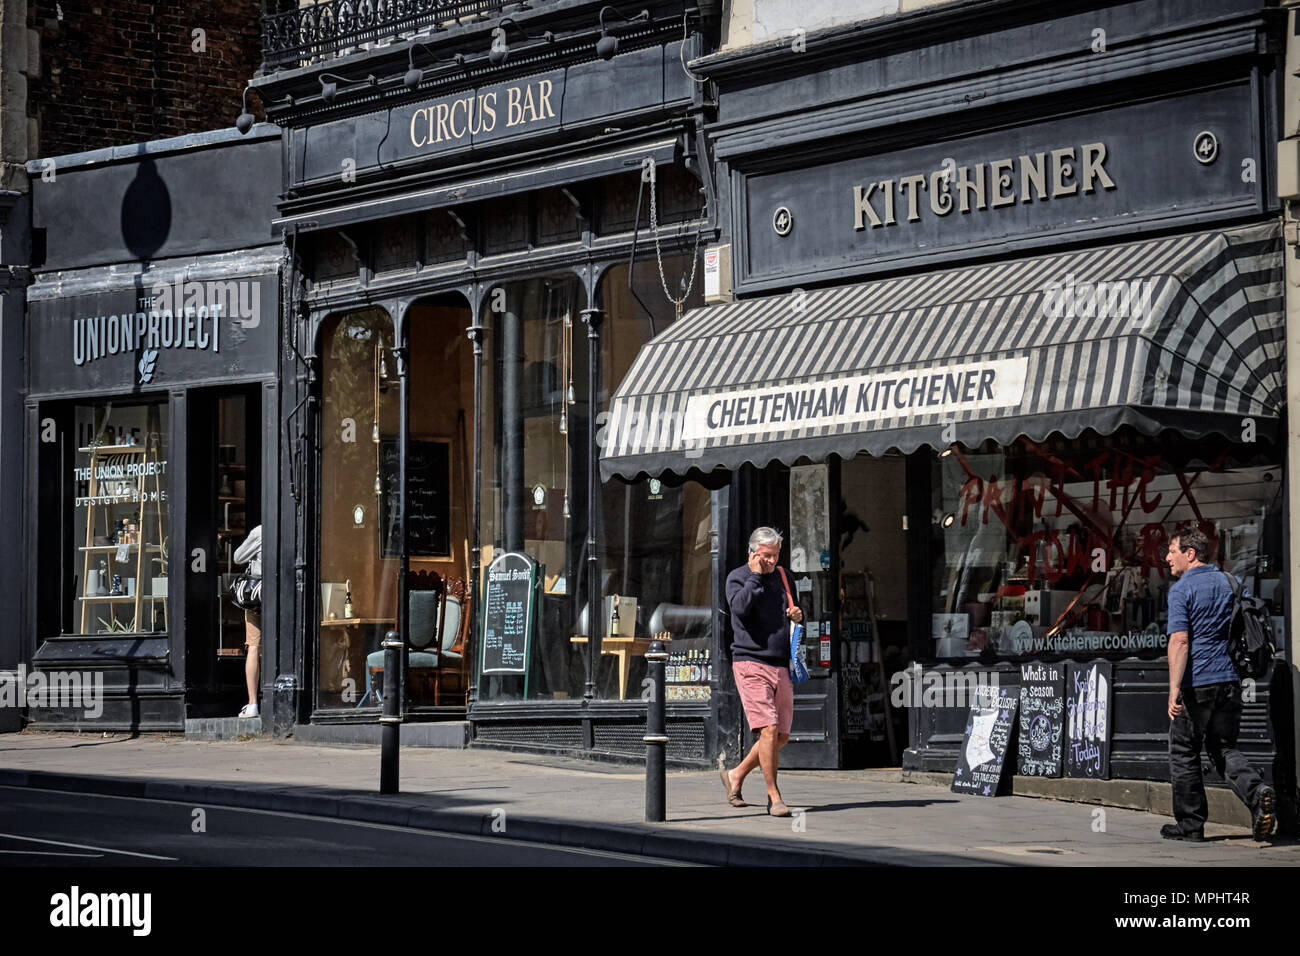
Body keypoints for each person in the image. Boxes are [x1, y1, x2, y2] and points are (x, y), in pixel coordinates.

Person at [1163, 526, 1276, 842]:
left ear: (1190, 553)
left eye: (1172, 550)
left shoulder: (1182, 589)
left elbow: (1180, 641)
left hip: (1197, 682)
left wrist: (1174, 688)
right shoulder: (1232, 582)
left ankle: (1190, 825)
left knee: (1184, 749)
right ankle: (1257, 792)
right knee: (1222, 746)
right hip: (1230, 679)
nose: (1167, 557)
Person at [719, 526, 803, 816]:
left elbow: (793, 609)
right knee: (767, 728)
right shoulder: (737, 578)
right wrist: (755, 576)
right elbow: (740, 610)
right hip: (749, 662)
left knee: (780, 736)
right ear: (752, 553)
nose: (771, 561)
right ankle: (774, 797)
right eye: (766, 555)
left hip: (780, 662)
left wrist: (797, 614)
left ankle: (736, 775)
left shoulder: (783, 576)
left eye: (775, 555)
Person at [234, 524, 263, 719]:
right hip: (284, 595)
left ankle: (253, 703)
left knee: (254, 646)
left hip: (257, 598)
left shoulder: (261, 531)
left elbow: (238, 557)